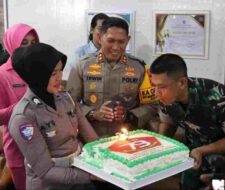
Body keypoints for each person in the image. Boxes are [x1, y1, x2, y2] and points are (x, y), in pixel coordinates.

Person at [149, 53, 225, 190]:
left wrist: (202, 150)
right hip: (193, 158)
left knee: (218, 187)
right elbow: (168, 122)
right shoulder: (166, 97)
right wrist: (159, 145)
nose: (156, 92)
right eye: (154, 86)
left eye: (162, 87)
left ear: (182, 83)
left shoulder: (218, 95)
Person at [9, 43, 99, 190]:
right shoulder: (24, 117)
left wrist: (108, 157)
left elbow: (91, 138)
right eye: (52, 74)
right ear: (38, 75)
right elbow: (46, 171)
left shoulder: (66, 99)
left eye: (60, 71)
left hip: (79, 176)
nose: (59, 78)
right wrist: (91, 176)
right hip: (50, 184)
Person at [66, 17, 157, 137]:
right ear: (100, 38)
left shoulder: (140, 68)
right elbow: (69, 103)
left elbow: (152, 106)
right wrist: (93, 113)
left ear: (128, 40)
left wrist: (129, 115)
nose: (115, 47)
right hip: (91, 136)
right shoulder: (82, 65)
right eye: (110, 41)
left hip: (127, 136)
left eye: (121, 42)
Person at [0, 23, 39, 190]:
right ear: (11, 43)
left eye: (34, 43)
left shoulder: (42, 69)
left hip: (46, 145)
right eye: (24, 42)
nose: (30, 47)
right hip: (18, 149)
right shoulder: (2, 74)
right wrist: (24, 105)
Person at [63, 13, 109, 81]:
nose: (103, 33)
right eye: (100, 29)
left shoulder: (112, 54)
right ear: (91, 29)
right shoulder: (79, 53)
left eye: (106, 30)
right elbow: (71, 81)